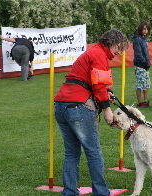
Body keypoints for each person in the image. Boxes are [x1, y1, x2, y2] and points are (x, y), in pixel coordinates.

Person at [54, 29, 129, 196]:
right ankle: (101, 192)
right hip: (79, 107)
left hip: (60, 105)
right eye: (120, 48)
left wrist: (105, 94)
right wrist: (108, 111)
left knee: (72, 152)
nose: (119, 52)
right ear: (113, 42)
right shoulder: (99, 55)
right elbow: (99, 86)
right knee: (93, 151)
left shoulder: (91, 52)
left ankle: (69, 192)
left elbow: (88, 82)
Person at [132, 21, 151, 107]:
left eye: (147, 29)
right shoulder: (137, 40)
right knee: (140, 84)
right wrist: (145, 62)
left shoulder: (144, 39)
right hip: (140, 64)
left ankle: (145, 100)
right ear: (140, 29)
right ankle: (140, 102)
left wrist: (147, 63)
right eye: (144, 29)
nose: (145, 31)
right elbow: (138, 54)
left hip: (145, 65)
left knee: (146, 83)